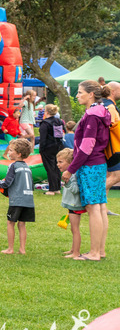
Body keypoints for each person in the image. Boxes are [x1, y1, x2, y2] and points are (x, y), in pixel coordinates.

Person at [62, 80, 111, 261]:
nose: (77, 95)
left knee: (93, 208)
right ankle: (100, 250)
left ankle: (94, 253)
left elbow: (86, 146)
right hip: (98, 164)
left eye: (80, 92)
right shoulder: (102, 111)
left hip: (90, 165)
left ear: (91, 94)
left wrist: (70, 169)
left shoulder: (92, 115)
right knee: (98, 207)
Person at [0, 139, 35, 255]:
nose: (9, 152)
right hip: (28, 200)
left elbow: (7, 183)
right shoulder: (28, 167)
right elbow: (32, 185)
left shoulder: (13, 166)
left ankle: (10, 249)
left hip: (16, 200)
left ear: (18, 154)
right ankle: (22, 249)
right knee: (22, 224)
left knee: (10, 223)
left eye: (11, 150)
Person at [58, 149, 86, 259]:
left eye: (61, 162)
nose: (58, 164)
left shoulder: (73, 175)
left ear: (70, 163)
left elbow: (76, 190)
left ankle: (76, 252)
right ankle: (73, 249)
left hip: (75, 206)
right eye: (58, 162)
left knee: (75, 229)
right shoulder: (70, 174)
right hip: (71, 205)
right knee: (72, 229)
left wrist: (67, 182)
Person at [38, 104, 66, 195]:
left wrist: (41, 149)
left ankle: (52, 189)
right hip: (58, 146)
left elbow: (43, 138)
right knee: (57, 167)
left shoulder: (45, 123)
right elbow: (62, 132)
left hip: (48, 148)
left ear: (46, 112)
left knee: (50, 168)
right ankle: (57, 188)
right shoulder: (59, 121)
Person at [103, 82, 120, 196]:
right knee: (117, 175)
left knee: (109, 175)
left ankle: (102, 208)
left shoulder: (101, 104)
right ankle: (93, 197)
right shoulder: (110, 107)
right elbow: (113, 125)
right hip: (112, 146)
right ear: (113, 92)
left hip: (106, 146)